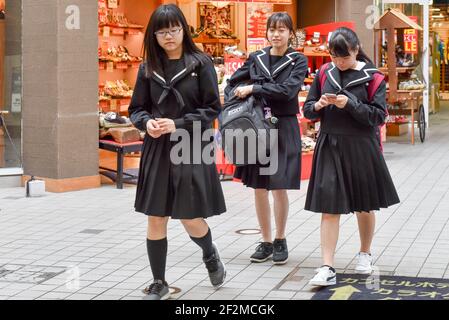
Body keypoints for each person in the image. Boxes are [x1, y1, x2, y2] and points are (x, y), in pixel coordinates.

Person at [128, 4, 227, 300]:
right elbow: (136, 109)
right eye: (162, 31)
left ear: (184, 29)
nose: (169, 36)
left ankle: (209, 253)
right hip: (158, 148)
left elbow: (212, 108)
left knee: (189, 216)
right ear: (153, 35)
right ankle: (159, 282)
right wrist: (148, 123)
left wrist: (178, 123)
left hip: (190, 146)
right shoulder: (149, 68)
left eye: (174, 29)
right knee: (156, 216)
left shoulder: (200, 63)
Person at [303, 27, 400, 286]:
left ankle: (365, 253)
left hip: (362, 145)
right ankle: (327, 266)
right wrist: (320, 105)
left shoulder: (373, 77)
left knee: (364, 204)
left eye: (343, 57)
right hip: (330, 143)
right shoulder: (324, 73)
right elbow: (308, 110)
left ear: (356, 50)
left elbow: (379, 116)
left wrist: (351, 104)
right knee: (328, 206)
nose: (338, 62)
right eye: (334, 56)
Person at [225, 12, 308, 265]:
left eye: (282, 30)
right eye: (272, 29)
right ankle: (266, 240)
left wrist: (255, 88)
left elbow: (288, 91)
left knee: (279, 185)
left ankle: (281, 239)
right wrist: (238, 97)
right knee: (259, 187)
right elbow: (231, 84)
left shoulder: (298, 60)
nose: (276, 34)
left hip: (283, 126)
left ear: (290, 33)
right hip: (257, 126)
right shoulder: (256, 58)